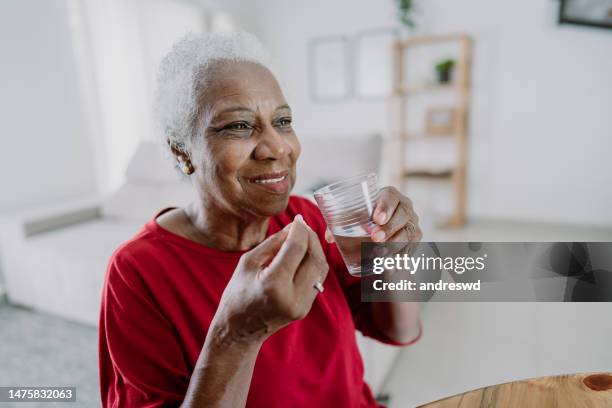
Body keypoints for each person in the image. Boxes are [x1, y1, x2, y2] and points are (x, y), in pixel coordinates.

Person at [98, 32, 423, 408]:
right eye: (239, 126)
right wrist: (237, 335)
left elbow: (400, 329)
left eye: (282, 121)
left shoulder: (308, 218)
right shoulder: (136, 272)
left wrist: (394, 259)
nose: (278, 147)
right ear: (182, 151)